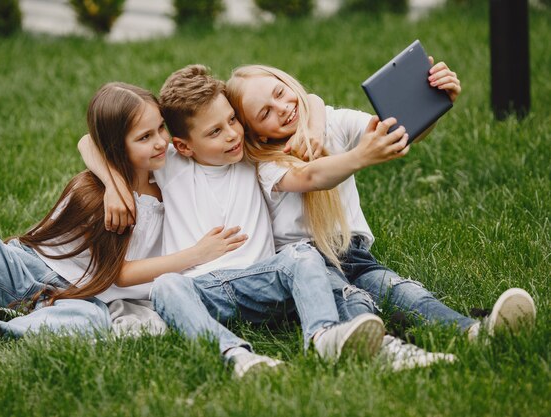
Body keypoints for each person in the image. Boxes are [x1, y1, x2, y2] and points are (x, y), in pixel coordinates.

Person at [79, 65, 389, 378]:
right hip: (204, 290)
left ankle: (324, 337)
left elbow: (312, 100)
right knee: (165, 286)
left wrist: (319, 131)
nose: (231, 135)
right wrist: (112, 184)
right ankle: (236, 356)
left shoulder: (250, 154)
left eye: (232, 120)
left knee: (303, 255)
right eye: (214, 132)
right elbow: (89, 142)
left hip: (263, 282)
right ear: (184, 145)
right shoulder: (171, 161)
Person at [223, 61, 536, 344]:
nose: (281, 107)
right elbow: (310, 177)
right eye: (264, 113)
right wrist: (359, 157)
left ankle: (475, 332)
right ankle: (386, 348)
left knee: (399, 289)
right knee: (351, 299)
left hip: (352, 253)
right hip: (305, 267)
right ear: (258, 134)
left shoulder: (332, 121)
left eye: (280, 93)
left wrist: (435, 104)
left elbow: (399, 133)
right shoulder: (267, 164)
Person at [0, 82, 247, 346]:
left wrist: (115, 180)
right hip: (27, 270)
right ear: (117, 148)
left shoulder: (166, 167)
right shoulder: (99, 200)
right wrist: (195, 254)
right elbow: (118, 274)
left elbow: (89, 140)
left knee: (91, 321)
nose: (161, 141)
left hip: (77, 297)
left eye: (160, 128)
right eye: (145, 137)